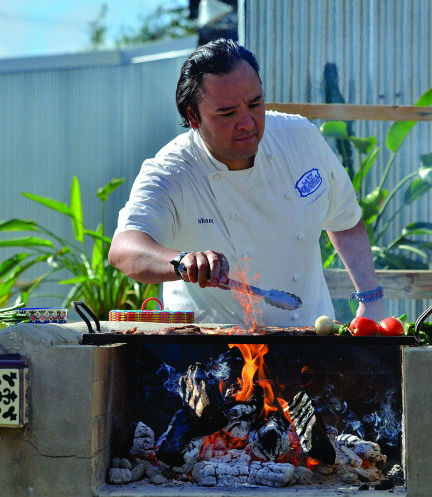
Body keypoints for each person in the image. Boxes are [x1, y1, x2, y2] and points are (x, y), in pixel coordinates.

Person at [108, 39, 384, 326]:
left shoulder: (301, 138)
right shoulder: (172, 171)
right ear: (193, 116)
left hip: (309, 339)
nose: (247, 123)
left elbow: (346, 221)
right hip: (211, 354)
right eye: (227, 113)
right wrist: (183, 260)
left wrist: (371, 299)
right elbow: (124, 249)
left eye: (255, 104)